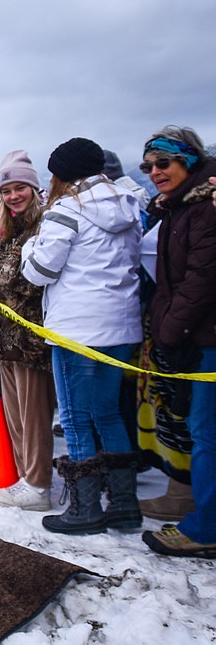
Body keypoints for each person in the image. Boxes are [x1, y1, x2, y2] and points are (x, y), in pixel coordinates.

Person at [21, 137, 143, 535]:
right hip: (121, 326)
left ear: (61, 175)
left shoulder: (67, 208)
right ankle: (124, 503)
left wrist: (29, 248)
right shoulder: (128, 205)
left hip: (77, 328)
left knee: (74, 416)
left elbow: (39, 270)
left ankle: (85, 506)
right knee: (108, 412)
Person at [138, 127, 216, 558]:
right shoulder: (177, 208)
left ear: (188, 160)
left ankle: (206, 527)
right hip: (191, 335)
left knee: (208, 435)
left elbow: (201, 280)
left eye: (163, 163)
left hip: (203, 339)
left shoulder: (204, 208)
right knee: (200, 431)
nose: (154, 172)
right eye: (148, 166)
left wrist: (170, 333)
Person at [0, 150, 57, 510]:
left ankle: (38, 481)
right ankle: (26, 478)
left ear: (34, 189)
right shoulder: (13, 232)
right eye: (7, 191)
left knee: (34, 413)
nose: (13, 196)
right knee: (17, 412)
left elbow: (19, 278)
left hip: (31, 336)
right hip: (6, 335)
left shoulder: (43, 227)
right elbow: (4, 274)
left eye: (20, 188)